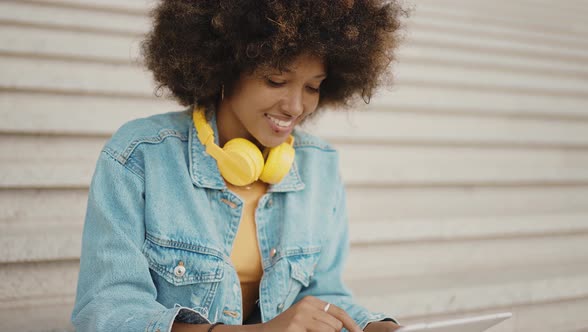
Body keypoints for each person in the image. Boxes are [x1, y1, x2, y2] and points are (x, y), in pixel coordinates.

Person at [71, 0, 406, 331]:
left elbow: (323, 293)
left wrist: (373, 327)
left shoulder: (320, 166)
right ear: (226, 70)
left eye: (312, 87)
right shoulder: (140, 155)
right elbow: (108, 310)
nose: (295, 106)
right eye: (276, 80)